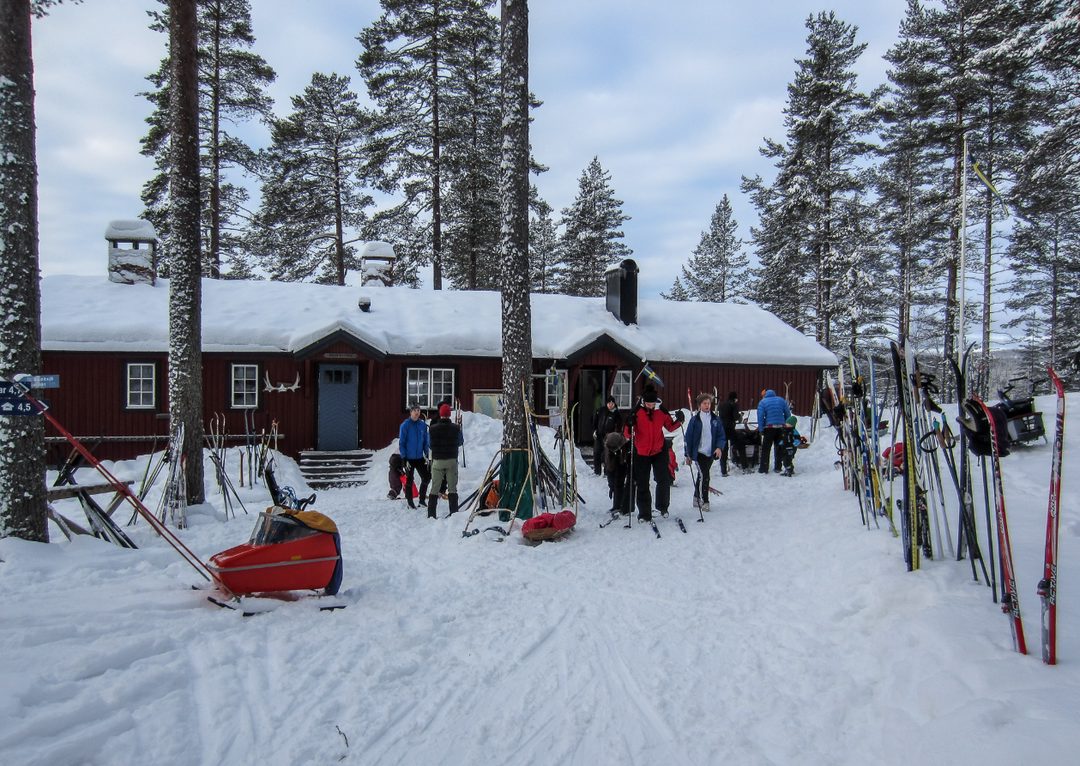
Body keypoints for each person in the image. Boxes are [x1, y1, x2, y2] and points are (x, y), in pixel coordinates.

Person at [623, 387, 684, 521]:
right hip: (641, 452)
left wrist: (679, 420)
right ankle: (644, 513)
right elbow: (627, 434)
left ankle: (663, 507)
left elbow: (670, 426)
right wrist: (629, 423)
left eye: (653, 403)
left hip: (659, 451)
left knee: (663, 479)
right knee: (643, 483)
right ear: (644, 402)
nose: (651, 406)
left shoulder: (661, 412)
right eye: (648, 403)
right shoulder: (637, 413)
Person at [683, 392, 726, 511]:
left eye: (709, 403)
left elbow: (721, 435)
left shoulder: (715, 419)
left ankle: (696, 498)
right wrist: (687, 454)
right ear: (699, 405)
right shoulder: (695, 420)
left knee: (701, 476)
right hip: (699, 453)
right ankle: (705, 501)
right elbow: (688, 438)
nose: (707, 405)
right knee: (705, 476)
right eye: (704, 403)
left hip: (710, 453)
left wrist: (719, 447)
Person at [427, 403, 464, 519]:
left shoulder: (432, 429)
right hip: (451, 460)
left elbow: (429, 444)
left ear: (440, 414)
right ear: (449, 414)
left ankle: (431, 514)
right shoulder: (456, 428)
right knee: (452, 488)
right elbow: (460, 442)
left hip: (437, 461)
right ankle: (454, 513)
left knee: (435, 488)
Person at [398, 403, 431, 509]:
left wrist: (428, 455)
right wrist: (403, 457)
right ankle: (410, 502)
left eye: (418, 410)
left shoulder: (422, 425)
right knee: (409, 480)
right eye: (415, 410)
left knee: (426, 477)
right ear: (410, 412)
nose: (417, 412)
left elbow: (425, 442)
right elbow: (402, 443)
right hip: (409, 458)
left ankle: (422, 500)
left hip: (419, 457)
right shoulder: (405, 425)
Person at [757, 388, 792, 474]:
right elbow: (788, 413)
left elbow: (760, 416)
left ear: (765, 395)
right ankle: (778, 467)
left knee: (766, 449)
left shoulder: (763, 402)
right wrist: (786, 424)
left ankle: (764, 468)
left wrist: (761, 429)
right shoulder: (781, 400)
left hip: (769, 428)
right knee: (779, 447)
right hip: (781, 427)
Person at [592, 395, 622, 475]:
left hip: (609, 436)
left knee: (607, 455)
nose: (610, 405)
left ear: (614, 404)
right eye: (609, 403)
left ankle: (607, 472)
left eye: (612, 403)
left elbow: (619, 425)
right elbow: (595, 420)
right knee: (596, 452)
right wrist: (595, 430)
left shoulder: (616, 413)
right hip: (599, 434)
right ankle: (597, 471)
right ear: (606, 403)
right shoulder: (601, 410)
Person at [603, 431, 631, 515]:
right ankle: (617, 505)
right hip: (612, 463)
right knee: (613, 483)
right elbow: (608, 464)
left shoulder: (624, 446)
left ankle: (619, 506)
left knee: (619, 484)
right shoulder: (608, 448)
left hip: (621, 462)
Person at [716, 391, 740, 475]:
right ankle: (743, 464)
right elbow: (736, 416)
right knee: (739, 444)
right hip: (730, 428)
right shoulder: (734, 404)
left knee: (724, 449)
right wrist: (740, 416)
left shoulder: (721, 404)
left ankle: (723, 471)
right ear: (734, 398)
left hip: (722, 429)